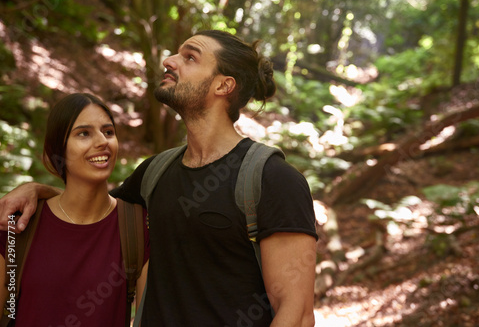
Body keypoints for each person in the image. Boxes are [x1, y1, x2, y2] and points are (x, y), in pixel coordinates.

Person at [0, 30, 317, 326]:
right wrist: (37, 189)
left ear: (224, 85)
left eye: (190, 57)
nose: (169, 61)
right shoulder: (153, 175)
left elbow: (297, 312)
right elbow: (93, 211)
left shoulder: (273, 180)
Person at [0, 93, 149, 326]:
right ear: (58, 149)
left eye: (108, 132)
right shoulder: (18, 225)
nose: (102, 141)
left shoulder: (138, 227)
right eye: (84, 133)